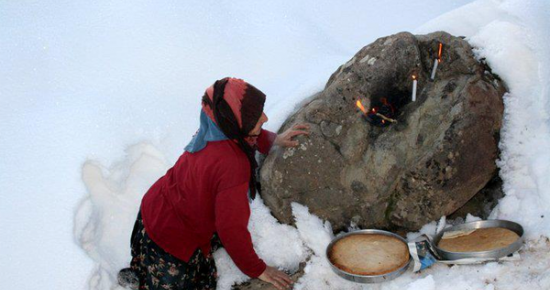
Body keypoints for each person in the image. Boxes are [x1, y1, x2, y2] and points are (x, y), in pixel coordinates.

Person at [118, 77, 309, 290]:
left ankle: (144, 273)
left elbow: (240, 133)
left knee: (153, 264)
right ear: (233, 122)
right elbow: (231, 229)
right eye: (256, 117)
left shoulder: (214, 125)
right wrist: (257, 269)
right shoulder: (233, 165)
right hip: (173, 238)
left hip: (153, 209)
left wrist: (272, 139)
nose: (265, 118)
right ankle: (150, 280)